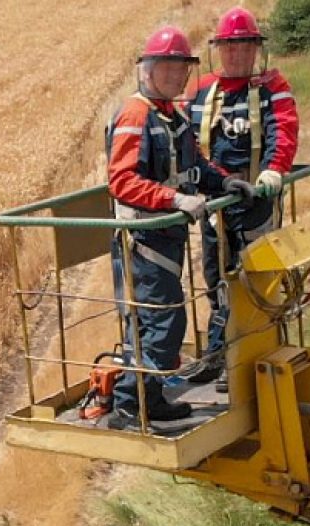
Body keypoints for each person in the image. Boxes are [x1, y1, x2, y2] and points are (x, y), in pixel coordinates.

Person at [106, 25, 255, 430]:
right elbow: (122, 181)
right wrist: (174, 200)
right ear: (147, 70)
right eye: (167, 68)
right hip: (143, 239)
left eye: (180, 69)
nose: (174, 76)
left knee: (161, 320)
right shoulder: (136, 115)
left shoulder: (171, 115)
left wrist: (222, 181)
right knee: (159, 321)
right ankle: (131, 405)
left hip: (164, 237)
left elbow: (195, 165)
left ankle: (148, 400)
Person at [186, 7, 299, 387]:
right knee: (217, 279)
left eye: (244, 46)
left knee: (255, 279)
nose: (236, 54)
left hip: (254, 204)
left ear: (256, 49)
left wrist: (273, 170)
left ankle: (250, 355)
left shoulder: (271, 87)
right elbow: (186, 143)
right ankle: (221, 356)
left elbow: (283, 130)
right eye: (229, 47)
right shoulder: (201, 91)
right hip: (215, 207)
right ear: (219, 49)